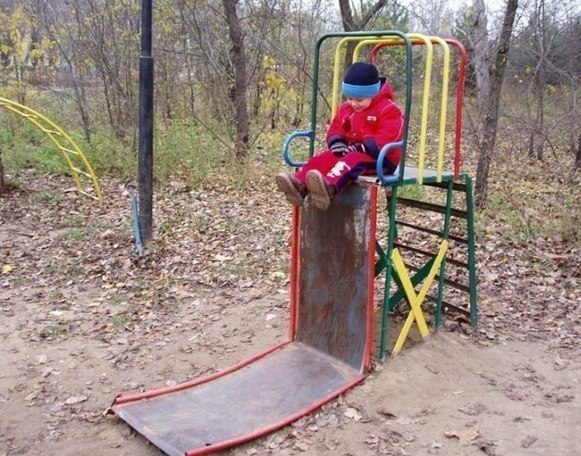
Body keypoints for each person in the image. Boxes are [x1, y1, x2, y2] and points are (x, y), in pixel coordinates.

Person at [276, 62, 404, 210]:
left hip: (380, 158)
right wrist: (337, 142)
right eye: (350, 98)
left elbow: (388, 137)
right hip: (352, 151)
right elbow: (336, 128)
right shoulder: (346, 109)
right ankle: (299, 184)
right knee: (324, 158)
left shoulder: (388, 109)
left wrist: (361, 147)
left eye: (359, 100)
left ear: (373, 94)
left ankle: (329, 188)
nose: (354, 104)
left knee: (352, 160)